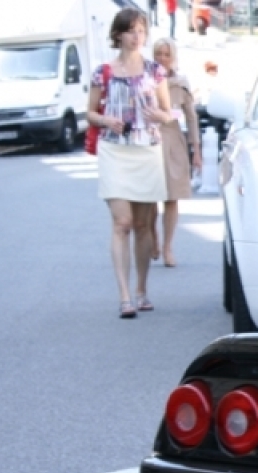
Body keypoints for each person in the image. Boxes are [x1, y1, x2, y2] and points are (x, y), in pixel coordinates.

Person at [87, 8, 172, 318]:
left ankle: (141, 290)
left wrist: (159, 116)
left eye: (141, 31)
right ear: (118, 35)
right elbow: (90, 113)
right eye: (131, 30)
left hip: (147, 150)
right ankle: (124, 296)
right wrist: (106, 119)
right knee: (122, 223)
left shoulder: (155, 71)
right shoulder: (103, 72)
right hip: (115, 151)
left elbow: (168, 112)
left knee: (142, 225)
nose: (137, 36)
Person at [149, 38, 202, 268]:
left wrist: (196, 150)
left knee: (172, 197)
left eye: (166, 54)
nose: (162, 58)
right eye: (158, 54)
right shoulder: (145, 80)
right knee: (148, 198)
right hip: (149, 140)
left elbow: (191, 117)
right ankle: (152, 238)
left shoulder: (180, 83)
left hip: (173, 140)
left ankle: (168, 247)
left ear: (173, 57)